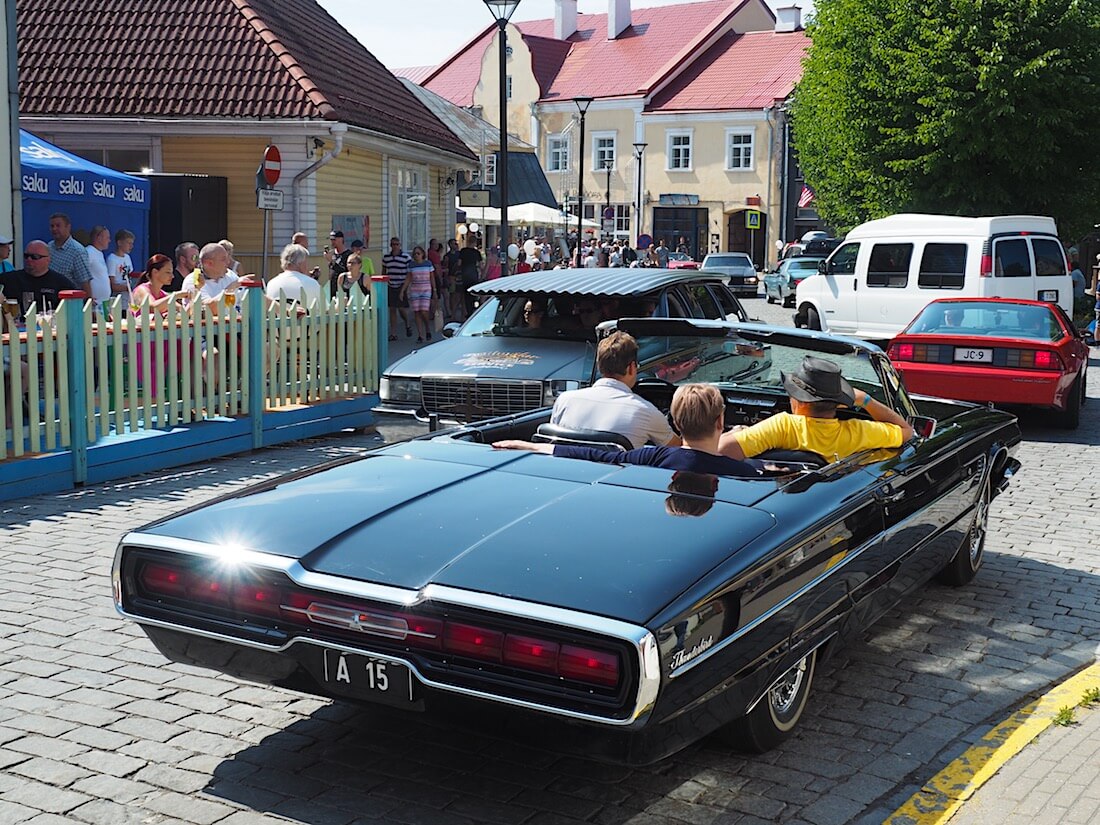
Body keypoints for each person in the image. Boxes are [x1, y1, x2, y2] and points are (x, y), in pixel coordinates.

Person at [494, 383, 761, 478]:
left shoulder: (653, 457)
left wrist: (534, 446)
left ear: (677, 424)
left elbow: (595, 455)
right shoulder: (744, 473)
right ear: (719, 423)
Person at [719, 355, 913, 464]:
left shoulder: (783, 426)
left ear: (800, 401)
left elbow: (720, 451)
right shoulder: (858, 431)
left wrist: (736, 433)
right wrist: (865, 400)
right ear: (838, 403)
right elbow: (906, 431)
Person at [548, 330, 679, 449]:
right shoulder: (645, 411)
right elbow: (679, 451)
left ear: (599, 366)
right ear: (632, 367)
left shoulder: (565, 400)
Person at [10, 241, 71, 316]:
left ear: (48, 260)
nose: (29, 259)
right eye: (26, 256)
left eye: (35, 257)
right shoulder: (10, 279)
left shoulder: (62, 283)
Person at [47, 213, 93, 292]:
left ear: (68, 227)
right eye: (52, 226)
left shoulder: (77, 252)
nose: (54, 229)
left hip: (69, 301)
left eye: (58, 226)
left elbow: (85, 283)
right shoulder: (48, 247)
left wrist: (88, 301)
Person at [400, 245, 436, 342]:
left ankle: (427, 328)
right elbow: (408, 278)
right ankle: (420, 335)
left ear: (423, 254)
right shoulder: (411, 265)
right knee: (417, 312)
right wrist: (403, 290)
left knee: (424, 311)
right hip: (415, 290)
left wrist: (434, 290)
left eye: (418, 253)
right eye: (415, 254)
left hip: (426, 289)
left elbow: (432, 277)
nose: (416, 255)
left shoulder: (428, 264)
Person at [383, 236, 413, 341]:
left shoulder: (406, 257)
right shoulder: (386, 257)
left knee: (401, 308)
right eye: (393, 244)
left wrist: (406, 288)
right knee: (392, 309)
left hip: (401, 284)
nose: (395, 246)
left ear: (400, 245)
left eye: (397, 244)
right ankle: (393, 333)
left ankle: (407, 323)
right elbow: (384, 270)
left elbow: (410, 273)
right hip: (391, 284)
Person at [84, 225, 113, 305]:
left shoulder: (99, 253)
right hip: (94, 303)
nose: (109, 240)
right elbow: (83, 276)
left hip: (103, 302)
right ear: (99, 238)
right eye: (107, 237)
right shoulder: (88, 252)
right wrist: (88, 296)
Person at [458, 236, 483, 318]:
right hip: (473, 275)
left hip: (465, 275)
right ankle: (473, 309)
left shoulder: (463, 251)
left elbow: (459, 263)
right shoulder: (477, 253)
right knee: (474, 293)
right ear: (475, 243)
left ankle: (468, 311)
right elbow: (480, 265)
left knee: (466, 295)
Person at [105, 229, 135, 295]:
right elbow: (112, 285)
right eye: (128, 243)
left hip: (129, 294)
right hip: (118, 295)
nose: (131, 246)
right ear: (119, 243)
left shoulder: (127, 257)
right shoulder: (112, 259)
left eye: (132, 243)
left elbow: (131, 277)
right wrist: (128, 288)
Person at [324, 230, 351, 299]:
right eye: (331, 240)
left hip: (344, 287)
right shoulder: (332, 253)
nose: (332, 242)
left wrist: (332, 261)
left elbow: (346, 271)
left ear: (341, 239)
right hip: (332, 286)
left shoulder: (348, 254)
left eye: (334, 240)